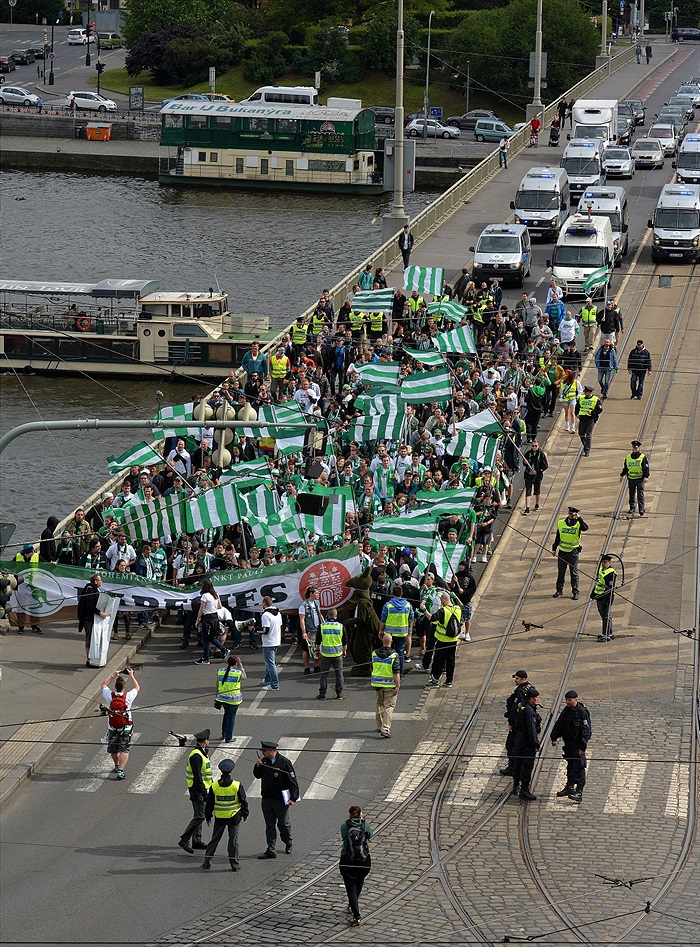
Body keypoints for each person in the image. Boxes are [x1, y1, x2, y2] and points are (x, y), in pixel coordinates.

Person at [253, 740, 300, 859]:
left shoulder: (284, 762)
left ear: (271, 751)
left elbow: (292, 781)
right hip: (267, 799)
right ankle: (271, 849)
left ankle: (288, 842)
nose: (262, 753)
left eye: (264, 751)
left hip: (280, 800)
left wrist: (293, 798)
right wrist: (257, 765)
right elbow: (257, 775)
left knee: (284, 824)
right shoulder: (264, 761)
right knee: (270, 825)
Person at [202, 758, 249, 871]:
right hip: (234, 817)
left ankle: (207, 862)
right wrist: (245, 813)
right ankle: (235, 865)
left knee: (214, 840)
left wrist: (208, 816)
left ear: (221, 772)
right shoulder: (236, 785)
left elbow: (209, 803)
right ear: (231, 772)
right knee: (233, 841)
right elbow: (243, 801)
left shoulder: (214, 786)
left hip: (220, 818)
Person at [551, 690, 592, 803]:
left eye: (570, 700)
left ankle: (579, 792)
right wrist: (554, 737)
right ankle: (569, 787)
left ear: (576, 700)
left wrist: (582, 748)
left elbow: (586, 732)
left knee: (579, 767)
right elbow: (560, 724)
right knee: (570, 766)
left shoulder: (582, 712)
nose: (567, 702)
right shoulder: (567, 710)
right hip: (568, 744)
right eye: (566, 700)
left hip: (578, 745)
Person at [100, 667, 139, 780]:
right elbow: (137, 687)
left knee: (114, 748)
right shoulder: (128, 697)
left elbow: (103, 685)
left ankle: (117, 766)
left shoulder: (109, 695)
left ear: (115, 687)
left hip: (112, 726)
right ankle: (121, 771)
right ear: (124, 687)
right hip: (126, 727)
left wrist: (113, 675)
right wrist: (131, 675)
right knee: (124, 749)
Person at [179, 729, 212, 854]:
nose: (209, 742)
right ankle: (184, 839)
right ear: (204, 741)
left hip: (203, 788)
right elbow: (198, 777)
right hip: (197, 790)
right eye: (208, 740)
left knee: (198, 815)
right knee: (200, 816)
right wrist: (203, 792)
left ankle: (197, 841)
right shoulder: (196, 756)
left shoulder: (202, 753)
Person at [339, 805, 373, 925]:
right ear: (360, 814)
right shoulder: (364, 824)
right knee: (359, 881)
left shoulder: (345, 826)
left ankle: (356, 914)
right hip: (364, 861)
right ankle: (353, 905)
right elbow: (370, 835)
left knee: (351, 888)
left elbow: (344, 838)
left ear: (349, 814)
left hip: (348, 860)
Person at [500, 670, 538, 776]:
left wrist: (511, 722)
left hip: (518, 723)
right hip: (524, 721)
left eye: (517, 678)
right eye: (515, 678)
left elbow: (515, 709)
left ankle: (513, 767)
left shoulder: (520, 691)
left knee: (511, 745)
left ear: (524, 679)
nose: (515, 680)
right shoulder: (530, 687)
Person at [426, 591, 462, 689]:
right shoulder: (458, 609)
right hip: (453, 640)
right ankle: (449, 681)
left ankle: (435, 681)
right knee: (451, 660)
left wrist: (424, 610)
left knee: (438, 661)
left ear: (443, 600)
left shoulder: (443, 611)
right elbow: (461, 605)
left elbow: (432, 618)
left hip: (442, 640)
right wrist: (456, 597)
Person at [551, 506, 589, 600]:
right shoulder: (561, 523)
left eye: (573, 514)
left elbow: (585, 528)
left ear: (576, 515)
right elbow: (558, 536)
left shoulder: (579, 524)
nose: (571, 516)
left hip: (573, 552)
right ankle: (559, 591)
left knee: (574, 573)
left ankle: (575, 592)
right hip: (562, 552)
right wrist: (554, 548)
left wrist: (579, 518)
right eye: (570, 514)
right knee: (561, 573)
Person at [512, 688, 541, 800]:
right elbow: (531, 728)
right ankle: (524, 789)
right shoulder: (529, 710)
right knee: (527, 765)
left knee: (518, 762)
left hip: (519, 739)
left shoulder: (521, 705)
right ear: (532, 699)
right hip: (527, 742)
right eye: (537, 698)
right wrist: (536, 744)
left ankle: (515, 785)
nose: (538, 699)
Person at [378, 583, 414, 677]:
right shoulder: (407, 605)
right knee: (400, 654)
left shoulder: (388, 605)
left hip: (389, 634)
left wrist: (380, 630)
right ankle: (399, 674)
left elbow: (383, 620)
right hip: (402, 633)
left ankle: (388, 673)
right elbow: (411, 617)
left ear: (392, 593)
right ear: (401, 593)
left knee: (387, 653)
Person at [371, 633, 400, 738]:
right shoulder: (394, 656)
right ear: (391, 642)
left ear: (382, 641)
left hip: (377, 683)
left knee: (379, 704)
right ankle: (386, 729)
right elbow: (396, 672)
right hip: (389, 685)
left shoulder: (374, 653)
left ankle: (379, 725)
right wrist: (398, 686)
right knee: (389, 706)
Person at [194, 579, 228, 666]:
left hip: (208, 618)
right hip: (215, 617)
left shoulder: (205, 596)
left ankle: (208, 658)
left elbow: (201, 609)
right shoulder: (215, 595)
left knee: (206, 638)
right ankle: (209, 656)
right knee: (211, 637)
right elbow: (219, 606)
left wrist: (197, 620)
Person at [316, 606, 346, 700]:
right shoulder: (341, 626)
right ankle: (339, 694)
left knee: (324, 675)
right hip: (337, 654)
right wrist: (344, 651)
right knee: (339, 675)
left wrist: (317, 651)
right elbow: (345, 641)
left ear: (327, 616)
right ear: (336, 616)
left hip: (325, 654)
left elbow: (318, 641)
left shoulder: (322, 626)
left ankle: (322, 694)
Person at [77, 573, 108, 667]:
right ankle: (89, 660)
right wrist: (99, 612)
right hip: (88, 618)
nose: (101, 582)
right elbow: (90, 606)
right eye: (100, 580)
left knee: (95, 638)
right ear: (95, 581)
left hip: (92, 618)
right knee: (90, 638)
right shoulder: (90, 590)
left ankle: (95, 659)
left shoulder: (94, 589)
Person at [216, 654, 246, 743]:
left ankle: (224, 734)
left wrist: (216, 697)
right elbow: (244, 676)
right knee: (231, 717)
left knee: (226, 715)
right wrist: (241, 666)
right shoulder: (238, 673)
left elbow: (217, 685)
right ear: (236, 663)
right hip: (234, 699)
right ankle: (229, 737)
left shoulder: (220, 671)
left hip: (222, 697)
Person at [591, 553, 617, 642]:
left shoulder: (611, 573)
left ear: (609, 562)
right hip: (599, 596)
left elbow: (610, 588)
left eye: (605, 562)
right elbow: (598, 582)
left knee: (606, 617)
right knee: (604, 616)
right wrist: (593, 593)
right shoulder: (601, 569)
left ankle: (606, 635)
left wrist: (607, 600)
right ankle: (608, 633)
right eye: (602, 562)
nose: (602, 564)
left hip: (606, 598)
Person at [620, 440, 649, 516]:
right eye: (634, 448)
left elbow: (646, 468)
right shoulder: (628, 457)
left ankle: (641, 509)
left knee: (640, 494)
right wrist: (622, 475)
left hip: (640, 479)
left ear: (639, 448)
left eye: (636, 448)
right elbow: (625, 468)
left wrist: (646, 477)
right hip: (631, 479)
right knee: (631, 494)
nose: (635, 449)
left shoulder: (643, 457)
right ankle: (632, 508)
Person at [260, 595, 282, 690]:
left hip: (268, 641)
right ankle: (267, 680)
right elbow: (280, 625)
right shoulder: (278, 613)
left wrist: (256, 631)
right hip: (276, 640)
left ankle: (274, 684)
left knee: (270, 664)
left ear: (264, 603)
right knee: (270, 662)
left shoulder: (265, 615)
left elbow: (266, 630)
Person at [299, 584, 322, 674]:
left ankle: (316, 665)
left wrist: (323, 624)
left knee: (318, 647)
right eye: (316, 593)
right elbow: (302, 619)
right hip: (309, 630)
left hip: (317, 628)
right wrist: (304, 632)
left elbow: (319, 614)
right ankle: (307, 667)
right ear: (311, 594)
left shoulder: (317, 603)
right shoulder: (303, 605)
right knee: (306, 649)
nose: (318, 594)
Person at [575, 384, 602, 456]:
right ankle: (586, 446)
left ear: (590, 392)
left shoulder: (596, 399)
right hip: (582, 419)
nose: (585, 393)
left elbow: (599, 410)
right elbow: (577, 407)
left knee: (588, 436)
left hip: (590, 419)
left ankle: (587, 450)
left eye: (586, 392)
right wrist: (577, 414)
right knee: (581, 434)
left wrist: (592, 412)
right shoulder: (581, 398)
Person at [522, 440, 548, 514]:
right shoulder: (528, 453)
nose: (534, 447)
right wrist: (525, 463)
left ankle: (537, 504)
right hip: (528, 475)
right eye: (533, 446)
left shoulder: (541, 454)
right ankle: (527, 507)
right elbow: (524, 462)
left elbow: (545, 466)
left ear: (538, 446)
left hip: (537, 476)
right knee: (528, 490)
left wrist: (538, 471)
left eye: (535, 446)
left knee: (537, 491)